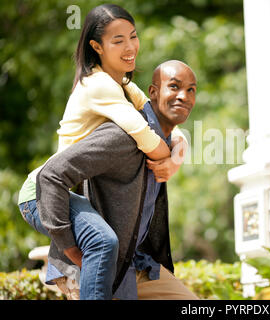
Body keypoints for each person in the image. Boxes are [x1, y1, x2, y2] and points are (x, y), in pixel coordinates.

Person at [17, 4, 187, 299]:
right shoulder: (97, 85)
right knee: (103, 241)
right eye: (117, 40)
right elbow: (147, 136)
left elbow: (165, 123)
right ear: (97, 46)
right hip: (42, 191)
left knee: (109, 244)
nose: (130, 47)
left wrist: (177, 156)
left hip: (70, 192)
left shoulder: (124, 86)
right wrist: (69, 247)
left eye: (133, 37)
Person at [37, 60, 199, 300]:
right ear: (152, 92)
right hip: (94, 264)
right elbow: (51, 175)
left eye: (191, 90)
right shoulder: (125, 135)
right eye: (174, 87)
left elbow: (173, 135)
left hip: (136, 263)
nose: (183, 96)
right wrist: (70, 249)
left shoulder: (165, 143)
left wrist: (177, 153)